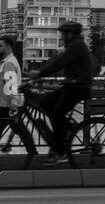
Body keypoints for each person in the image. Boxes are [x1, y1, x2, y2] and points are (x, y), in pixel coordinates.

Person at [28, 20, 96, 165]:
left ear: (71, 34)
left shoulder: (77, 45)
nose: (61, 36)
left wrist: (40, 73)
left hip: (79, 87)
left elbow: (60, 62)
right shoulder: (73, 45)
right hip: (71, 85)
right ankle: (67, 128)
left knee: (57, 114)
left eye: (63, 34)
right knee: (46, 103)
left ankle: (61, 152)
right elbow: (62, 62)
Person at [0, 36, 36, 158]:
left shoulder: (9, 63)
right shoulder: (7, 62)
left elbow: (11, 84)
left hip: (6, 104)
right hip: (5, 103)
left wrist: (13, 102)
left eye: (0, 45)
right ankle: (33, 152)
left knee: (3, 128)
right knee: (15, 129)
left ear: (8, 47)